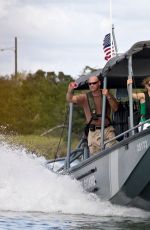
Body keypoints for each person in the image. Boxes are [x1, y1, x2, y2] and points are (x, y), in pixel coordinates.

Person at [66, 75, 119, 154]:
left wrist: (108, 95)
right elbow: (70, 99)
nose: (91, 85)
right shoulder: (85, 97)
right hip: (93, 133)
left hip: (107, 130)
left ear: (99, 83)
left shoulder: (107, 95)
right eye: (90, 84)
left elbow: (115, 108)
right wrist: (70, 89)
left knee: (112, 152)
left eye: (94, 83)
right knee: (96, 158)